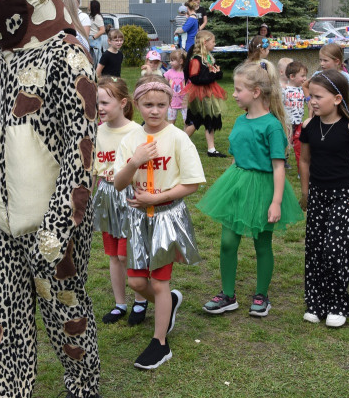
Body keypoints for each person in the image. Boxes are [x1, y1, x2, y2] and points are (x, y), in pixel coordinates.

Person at [112, 74, 206, 369]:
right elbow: (118, 183)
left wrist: (158, 198)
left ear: (170, 105)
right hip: (138, 219)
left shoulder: (178, 138)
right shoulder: (130, 140)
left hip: (166, 217)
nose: (154, 110)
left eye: (161, 105)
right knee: (137, 281)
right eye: (148, 104)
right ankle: (170, 305)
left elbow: (192, 183)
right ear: (137, 104)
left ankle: (160, 343)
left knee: (160, 282)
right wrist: (135, 161)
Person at [198, 62, 304, 317]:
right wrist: (231, 187)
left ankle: (261, 295)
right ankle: (227, 294)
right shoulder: (240, 121)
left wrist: (276, 201)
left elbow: (279, 167)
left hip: (264, 187)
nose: (233, 94)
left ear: (256, 92)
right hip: (237, 184)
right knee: (227, 242)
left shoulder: (272, 126)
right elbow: (236, 157)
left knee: (262, 243)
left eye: (238, 89)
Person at [298, 69, 349, 327]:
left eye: (318, 96)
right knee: (315, 248)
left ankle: (337, 304)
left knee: (335, 249)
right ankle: (316, 302)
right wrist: (304, 191)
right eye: (310, 96)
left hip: (342, 194)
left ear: (336, 99)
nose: (312, 101)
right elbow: (304, 159)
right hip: (317, 194)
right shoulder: (309, 126)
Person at [90, 78, 141, 325]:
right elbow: (92, 169)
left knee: (127, 254)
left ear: (122, 103)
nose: (99, 107)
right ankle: (120, 304)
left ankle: (141, 300)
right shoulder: (96, 131)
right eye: (97, 102)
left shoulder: (135, 132)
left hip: (130, 196)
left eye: (105, 102)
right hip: (105, 195)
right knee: (112, 255)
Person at [183, 30, 227, 158]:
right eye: (213, 41)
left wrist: (217, 73)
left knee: (209, 119)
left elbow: (212, 74)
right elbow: (195, 78)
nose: (215, 44)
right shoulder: (196, 60)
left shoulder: (207, 57)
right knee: (197, 120)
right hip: (199, 94)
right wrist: (212, 75)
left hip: (209, 93)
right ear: (205, 42)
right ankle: (180, 141)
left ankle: (211, 149)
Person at [282, 60, 307, 171]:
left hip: (298, 123)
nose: (305, 79)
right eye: (302, 76)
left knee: (299, 147)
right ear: (292, 76)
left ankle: (300, 171)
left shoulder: (303, 90)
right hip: (286, 123)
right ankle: (282, 161)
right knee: (283, 144)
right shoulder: (284, 90)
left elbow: (309, 102)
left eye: (305, 76)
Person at [164, 48, 187, 127]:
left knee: (186, 122)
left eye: (172, 60)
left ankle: (185, 136)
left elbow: (191, 86)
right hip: (172, 103)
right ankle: (170, 137)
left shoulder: (186, 73)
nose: (170, 63)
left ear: (180, 61)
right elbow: (164, 83)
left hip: (184, 103)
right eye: (170, 60)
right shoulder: (169, 72)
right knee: (171, 124)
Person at [87, 0, 106, 66]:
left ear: (93, 6)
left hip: (94, 40)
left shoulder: (97, 17)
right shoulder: (91, 16)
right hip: (90, 39)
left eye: (89, 4)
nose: (88, 6)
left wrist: (93, 37)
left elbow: (102, 30)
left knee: (95, 59)